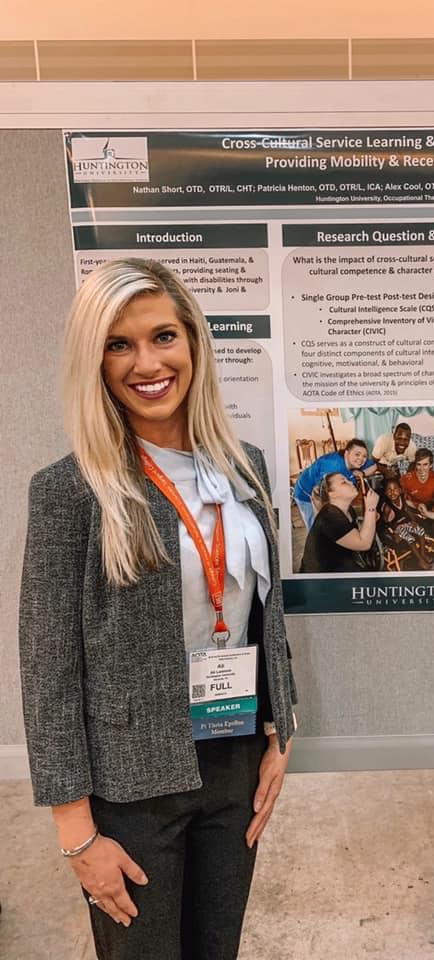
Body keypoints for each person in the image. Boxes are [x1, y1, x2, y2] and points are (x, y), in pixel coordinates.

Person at [19, 258, 297, 960]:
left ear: (194, 343)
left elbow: (267, 612)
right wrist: (77, 834)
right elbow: (49, 669)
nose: (146, 362)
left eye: (163, 336)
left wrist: (279, 733)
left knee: (216, 949)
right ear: (96, 361)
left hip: (231, 763)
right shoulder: (70, 492)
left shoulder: (245, 468)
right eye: (119, 343)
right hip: (131, 787)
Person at [300, 471, 379, 573]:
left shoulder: (348, 510)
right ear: (331, 493)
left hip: (339, 564)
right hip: (321, 576)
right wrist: (371, 509)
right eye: (344, 482)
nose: (351, 483)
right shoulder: (330, 516)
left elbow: (355, 535)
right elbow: (363, 544)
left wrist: (370, 518)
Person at [293, 439, 376, 529]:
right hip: (306, 493)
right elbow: (317, 495)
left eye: (364, 456)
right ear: (346, 453)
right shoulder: (332, 467)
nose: (361, 459)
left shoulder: (356, 462)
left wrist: (363, 473)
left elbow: (374, 466)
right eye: (357, 454)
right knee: (317, 528)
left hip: (328, 493)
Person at [378, 479, 433, 570]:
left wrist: (413, 521)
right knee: (410, 538)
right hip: (396, 527)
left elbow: (408, 511)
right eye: (389, 490)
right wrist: (394, 534)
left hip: (406, 523)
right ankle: (420, 560)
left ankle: (423, 553)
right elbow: (385, 523)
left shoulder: (403, 500)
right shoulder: (387, 507)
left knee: (421, 531)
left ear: (400, 490)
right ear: (385, 493)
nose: (392, 492)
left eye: (395, 489)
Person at [400, 447, 434, 512]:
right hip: (413, 507)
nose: (421, 468)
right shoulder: (407, 479)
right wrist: (416, 507)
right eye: (419, 464)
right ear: (415, 464)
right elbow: (402, 499)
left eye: (425, 464)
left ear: (431, 465)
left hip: (431, 507)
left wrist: (428, 514)